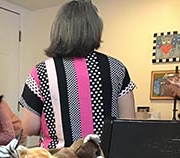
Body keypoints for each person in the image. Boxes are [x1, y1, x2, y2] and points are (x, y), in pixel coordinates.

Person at [19, 0, 135, 149]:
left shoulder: (41, 72)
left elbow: (29, 127)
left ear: (58, 29)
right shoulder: (116, 68)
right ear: (95, 28)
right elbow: (128, 124)